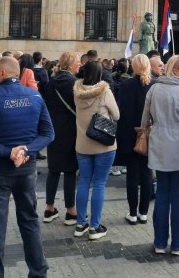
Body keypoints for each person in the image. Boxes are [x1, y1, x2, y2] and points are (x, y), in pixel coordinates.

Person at [0, 56, 54, 278]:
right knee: (30, 222)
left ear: (3, 73)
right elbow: (48, 134)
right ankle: (39, 272)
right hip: (26, 171)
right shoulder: (35, 96)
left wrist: (11, 152)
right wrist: (27, 150)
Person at [141, 55, 179, 255]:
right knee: (178, 195)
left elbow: (144, 119)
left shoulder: (154, 89)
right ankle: (178, 242)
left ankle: (160, 242)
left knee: (162, 194)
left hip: (158, 146)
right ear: (175, 71)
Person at [72, 60, 120, 240]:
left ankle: (80, 224)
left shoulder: (77, 92)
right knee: (99, 183)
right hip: (103, 145)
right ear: (100, 75)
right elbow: (116, 115)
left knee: (84, 181)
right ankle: (94, 227)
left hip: (82, 144)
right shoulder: (104, 91)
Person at [115, 54, 156, 226]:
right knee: (146, 174)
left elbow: (119, 111)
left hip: (129, 135)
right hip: (149, 134)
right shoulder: (154, 85)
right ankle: (144, 213)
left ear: (133, 66)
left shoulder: (125, 85)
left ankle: (132, 213)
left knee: (132, 174)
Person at [41, 52, 80, 226]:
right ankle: (71, 211)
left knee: (54, 170)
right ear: (71, 65)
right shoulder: (74, 83)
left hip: (54, 129)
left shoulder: (50, 82)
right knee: (70, 171)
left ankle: (49, 208)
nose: (79, 65)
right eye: (77, 62)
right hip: (71, 129)